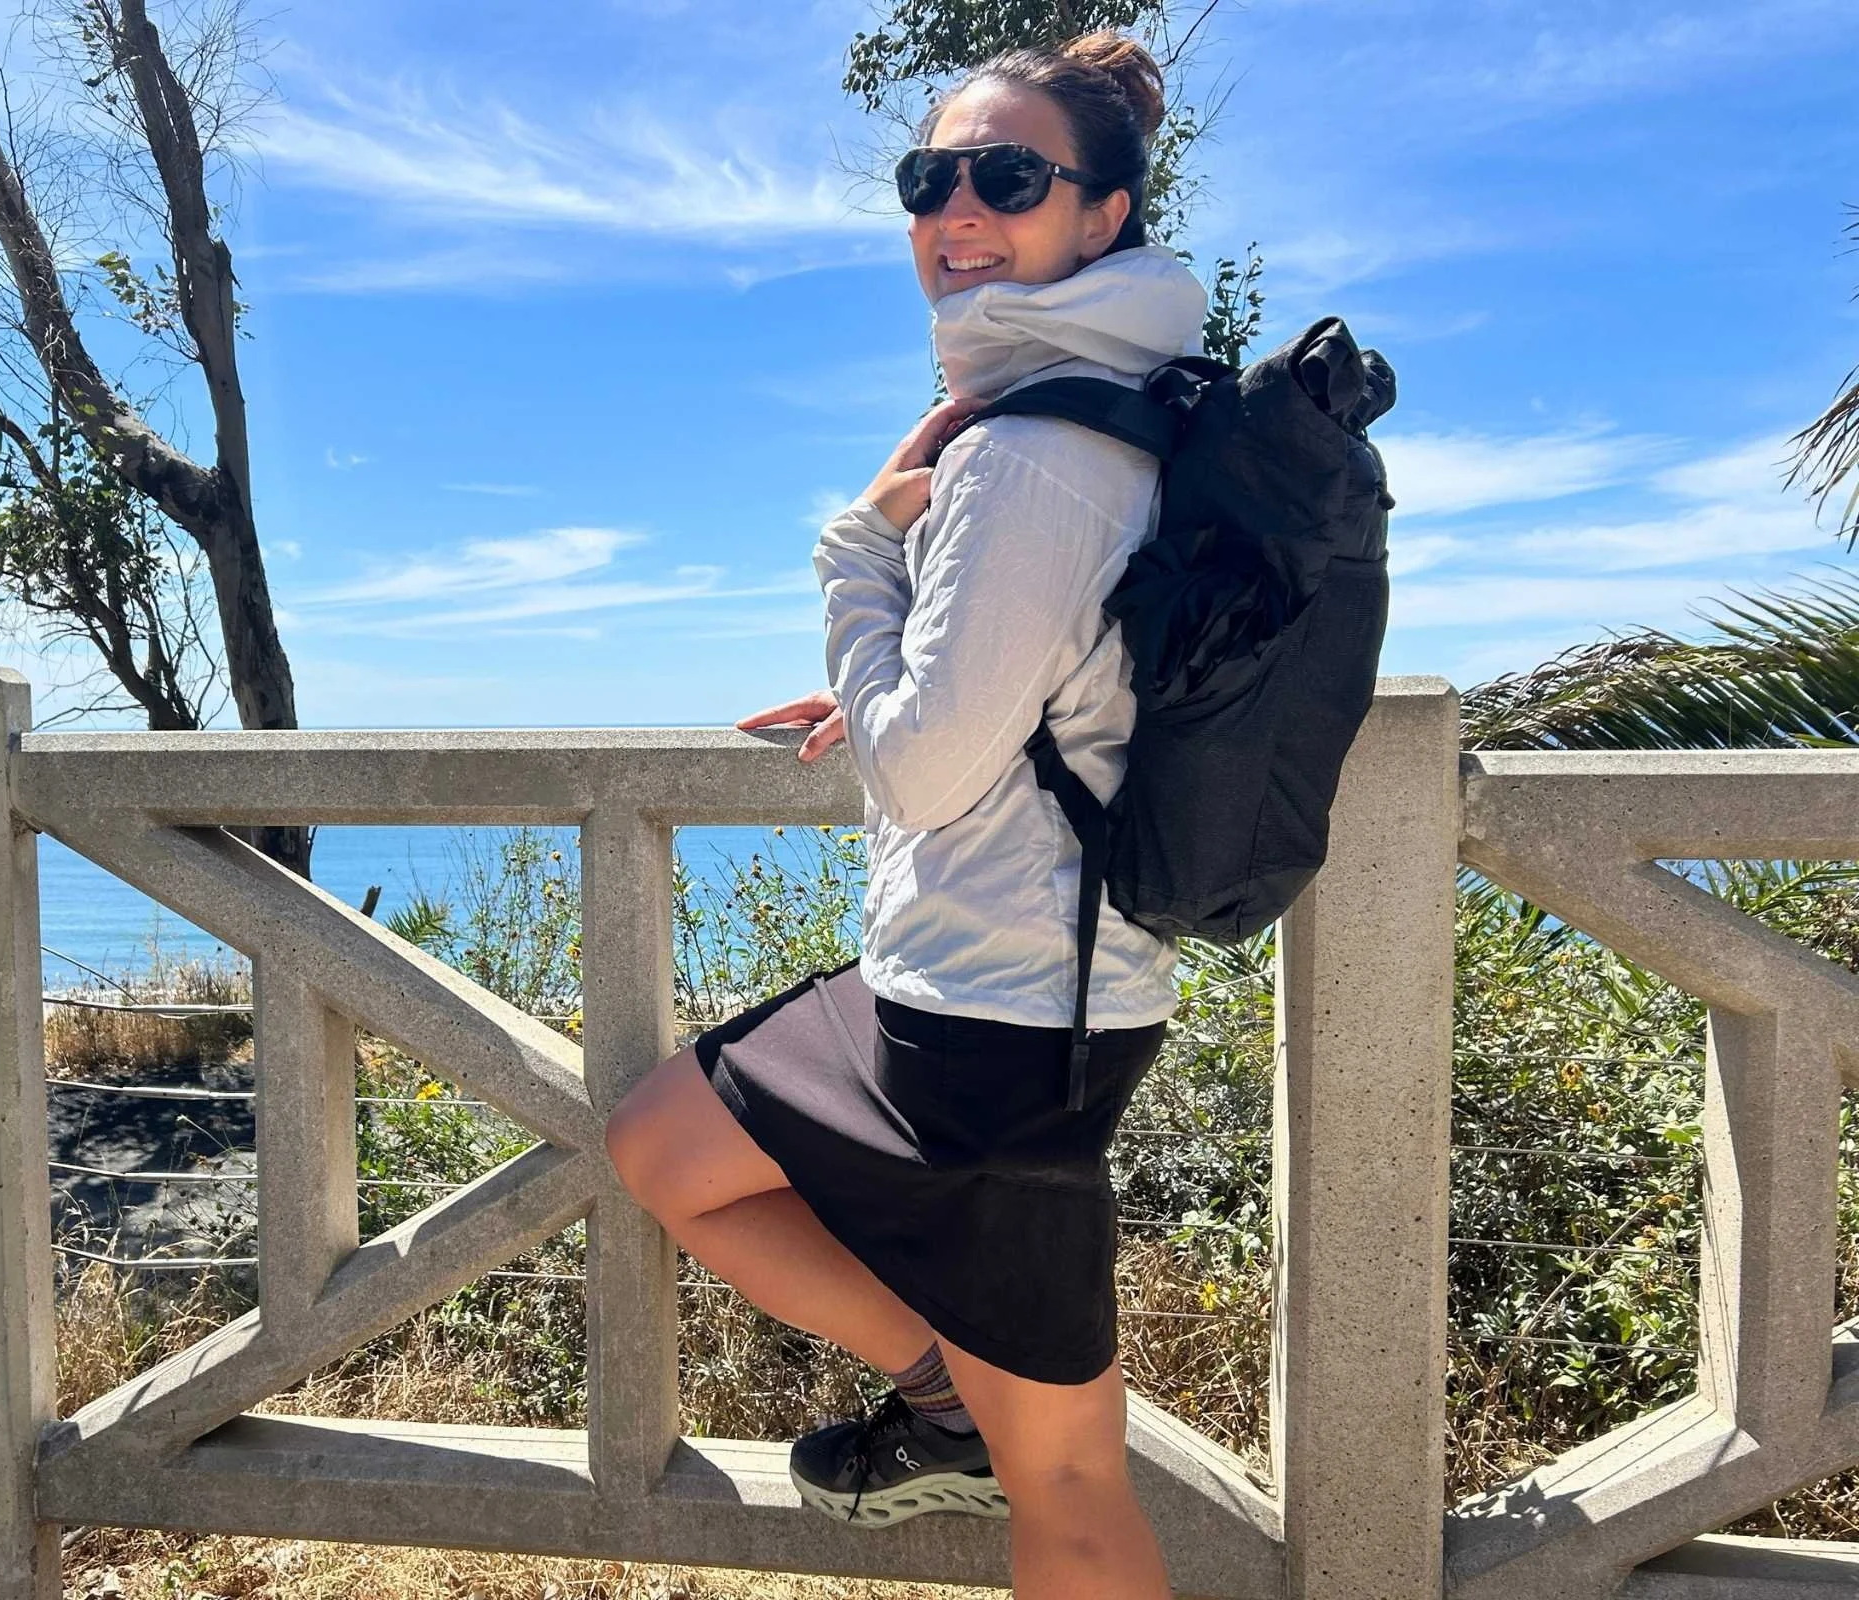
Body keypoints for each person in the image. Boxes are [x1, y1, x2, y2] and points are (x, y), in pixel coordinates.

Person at [603, 31, 1204, 1600]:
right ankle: (941, 1385)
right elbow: (1056, 678)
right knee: (667, 1145)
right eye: (929, 178)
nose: (958, 208)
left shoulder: (1033, 448)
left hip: (1011, 1027)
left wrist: (855, 566)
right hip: (952, 990)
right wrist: (910, 679)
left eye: (1010, 178)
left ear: (1106, 216)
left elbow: (926, 769)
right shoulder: (1088, 404)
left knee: (1065, 1483)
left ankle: (971, 1409)